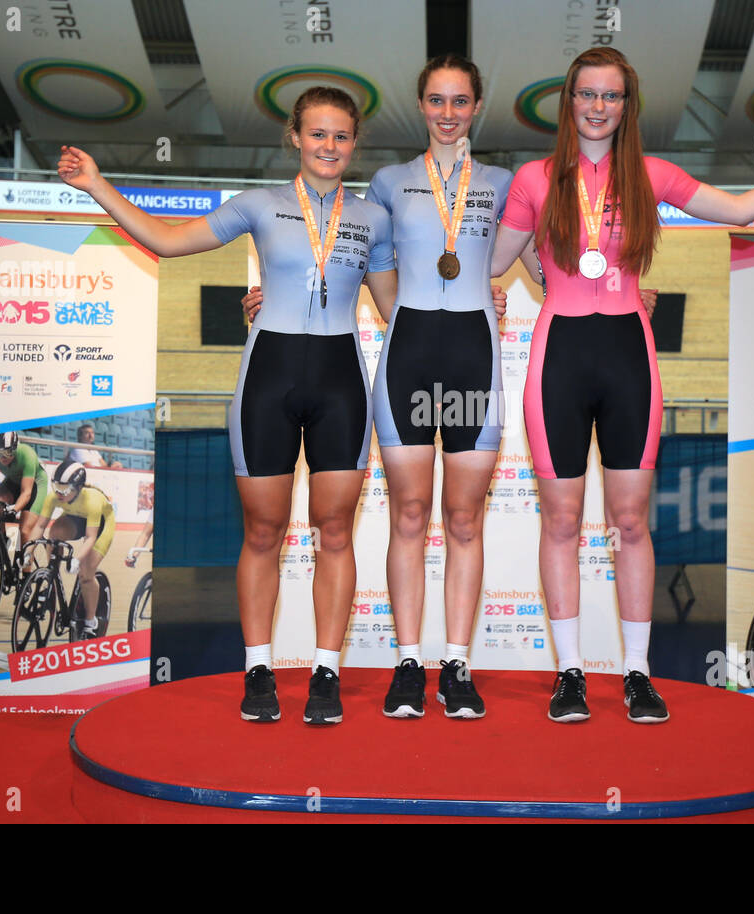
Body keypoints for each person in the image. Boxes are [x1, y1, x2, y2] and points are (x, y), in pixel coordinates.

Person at [242, 55, 659, 720]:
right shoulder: (384, 181)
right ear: (421, 104)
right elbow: (342, 240)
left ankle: (457, 664)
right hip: (407, 357)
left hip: (472, 360)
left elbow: (544, 260)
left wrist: (619, 294)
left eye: (460, 101)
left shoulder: (503, 182)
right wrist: (266, 292)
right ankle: (409, 663)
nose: (447, 112)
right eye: (436, 100)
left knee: (464, 519)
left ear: (476, 107)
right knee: (409, 515)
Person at [490, 46, 754, 723]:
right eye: (587, 94)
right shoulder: (535, 178)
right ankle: (569, 674)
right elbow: (491, 259)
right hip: (559, 357)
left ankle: (637, 674)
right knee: (565, 520)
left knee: (631, 521)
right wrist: (511, 241)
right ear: (568, 101)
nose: (599, 107)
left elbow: (742, 210)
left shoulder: (651, 174)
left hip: (630, 355)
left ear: (628, 106)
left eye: (612, 96)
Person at [57, 86, 396, 724]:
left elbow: (396, 308)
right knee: (264, 530)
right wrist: (98, 186)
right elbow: (164, 239)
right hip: (267, 377)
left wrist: (474, 300)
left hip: (341, 382)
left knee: (336, 531)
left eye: (342, 136)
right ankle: (258, 669)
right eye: (317, 134)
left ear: (355, 143)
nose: (329, 147)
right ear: (295, 137)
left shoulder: (373, 218)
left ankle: (326, 672)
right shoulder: (259, 205)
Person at [23, 461, 116, 637]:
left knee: (85, 573)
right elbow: (40, 526)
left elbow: (90, 537)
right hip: (76, 518)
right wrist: (29, 551)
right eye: (56, 486)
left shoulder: (93, 500)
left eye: (64, 489)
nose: (59, 492)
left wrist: (77, 559)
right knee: (55, 533)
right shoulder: (54, 496)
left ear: (78, 487)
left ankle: (91, 620)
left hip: (101, 526)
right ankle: (52, 579)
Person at [0, 432, 49, 547]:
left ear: (15, 447)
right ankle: (2, 545)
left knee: (24, 533)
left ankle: (23, 559)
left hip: (35, 485)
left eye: (7, 452)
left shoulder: (27, 454)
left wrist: (14, 510)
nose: (2, 458)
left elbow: (26, 493)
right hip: (14, 481)